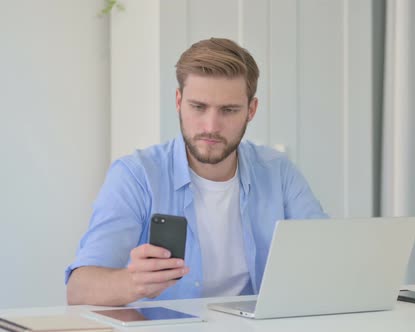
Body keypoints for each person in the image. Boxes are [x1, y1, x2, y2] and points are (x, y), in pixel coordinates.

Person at [65, 38, 327, 306]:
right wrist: (134, 283)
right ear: (179, 101)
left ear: (251, 110)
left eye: (228, 110)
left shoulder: (277, 171)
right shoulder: (136, 175)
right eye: (198, 107)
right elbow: (78, 290)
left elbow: (328, 256)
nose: (211, 126)